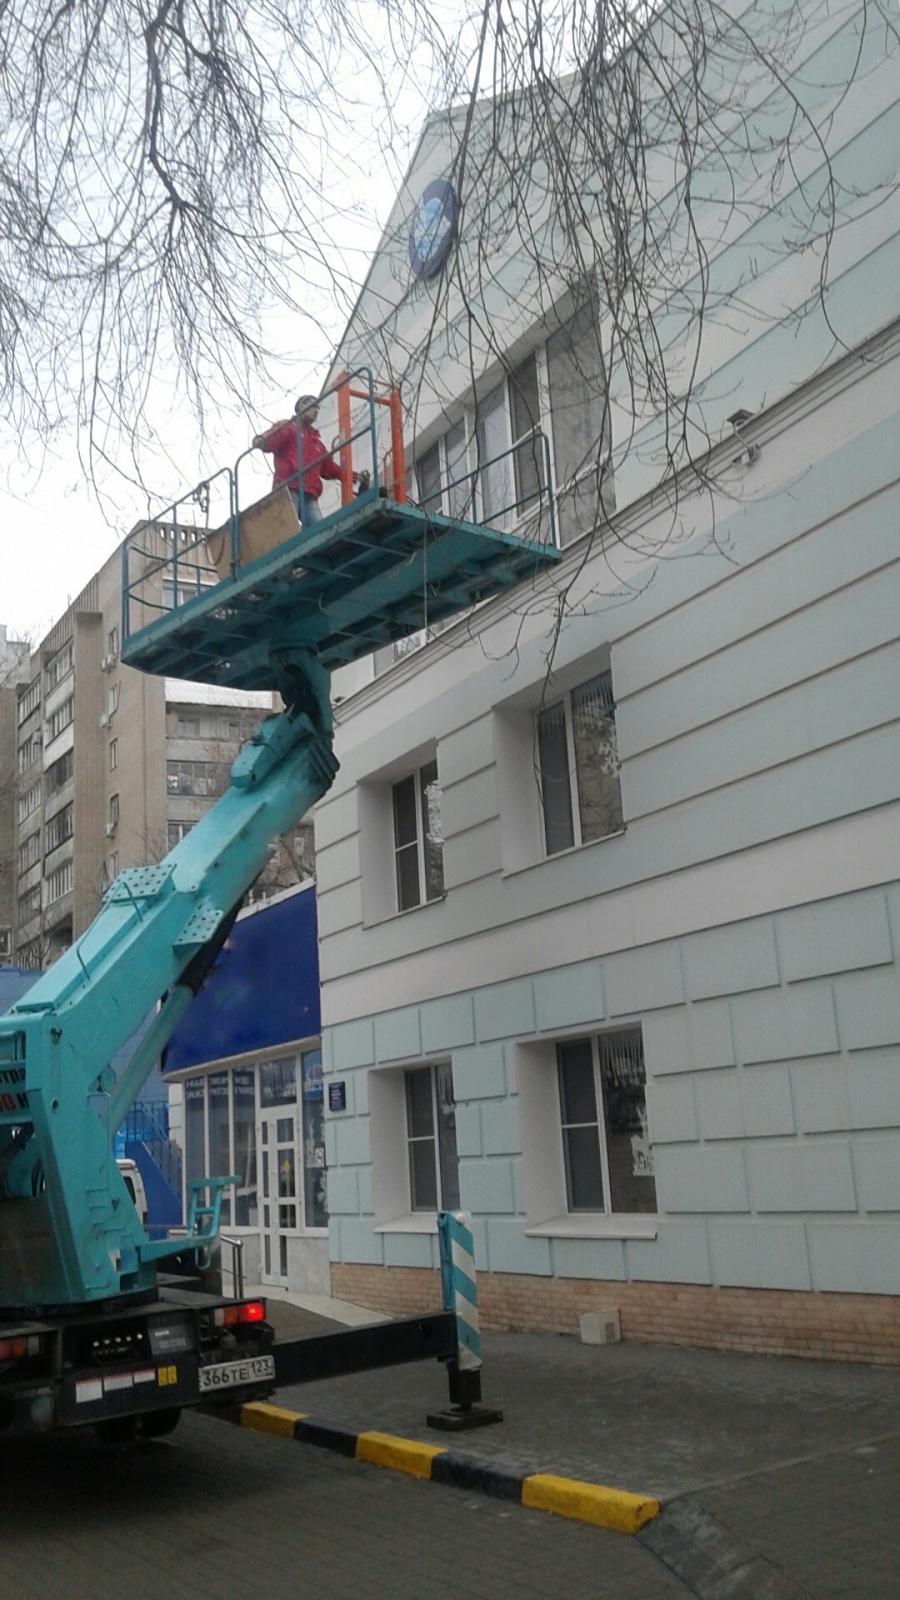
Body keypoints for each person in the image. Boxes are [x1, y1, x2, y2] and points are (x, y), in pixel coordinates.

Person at [252, 395, 355, 526]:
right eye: (313, 406)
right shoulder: (289, 428)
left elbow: (328, 467)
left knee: (318, 527)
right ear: (301, 407)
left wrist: (351, 475)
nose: (316, 410)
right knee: (289, 525)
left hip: (309, 492)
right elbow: (275, 437)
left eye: (317, 408)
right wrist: (262, 440)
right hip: (289, 486)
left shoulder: (316, 442)